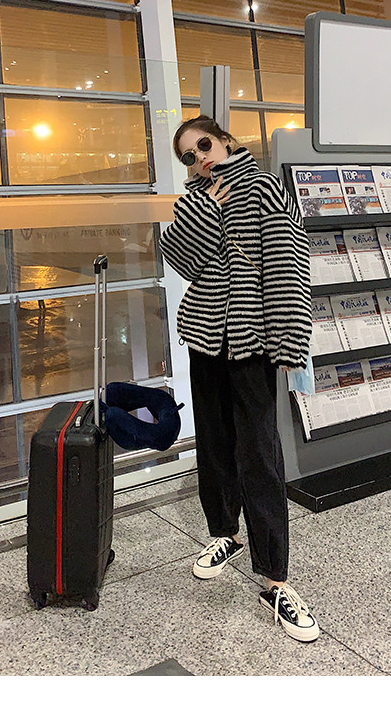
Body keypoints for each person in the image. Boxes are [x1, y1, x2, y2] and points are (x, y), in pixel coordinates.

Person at [159, 115, 319, 643]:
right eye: (188, 156)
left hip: (253, 341)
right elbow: (183, 260)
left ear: (226, 140)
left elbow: (288, 265)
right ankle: (224, 532)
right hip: (205, 338)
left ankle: (275, 579)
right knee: (214, 443)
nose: (199, 157)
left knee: (259, 454)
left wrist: (289, 341)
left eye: (204, 144)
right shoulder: (195, 200)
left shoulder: (264, 187)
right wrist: (208, 205)